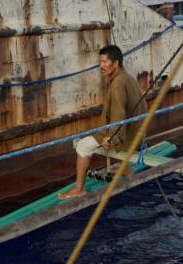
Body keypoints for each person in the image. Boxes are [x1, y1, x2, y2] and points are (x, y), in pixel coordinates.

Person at [59, 44, 144, 200]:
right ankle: (125, 168)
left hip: (126, 134)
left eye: (105, 62)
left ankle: (79, 189)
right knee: (101, 131)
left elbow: (119, 112)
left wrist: (113, 138)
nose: (101, 66)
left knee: (82, 146)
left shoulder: (118, 83)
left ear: (116, 63)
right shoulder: (128, 78)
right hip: (137, 131)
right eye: (100, 62)